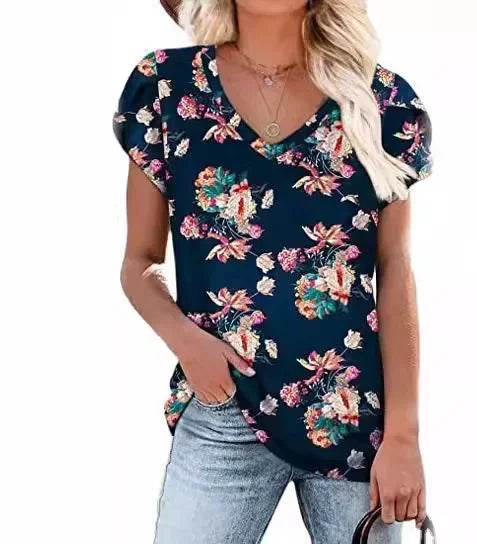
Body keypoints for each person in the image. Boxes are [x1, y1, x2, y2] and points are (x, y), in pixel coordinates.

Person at [112, 1, 433, 542]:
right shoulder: (166, 87)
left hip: (352, 422)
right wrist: (187, 343)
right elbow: (138, 263)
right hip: (224, 407)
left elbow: (395, 269)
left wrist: (403, 435)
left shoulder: (381, 101)